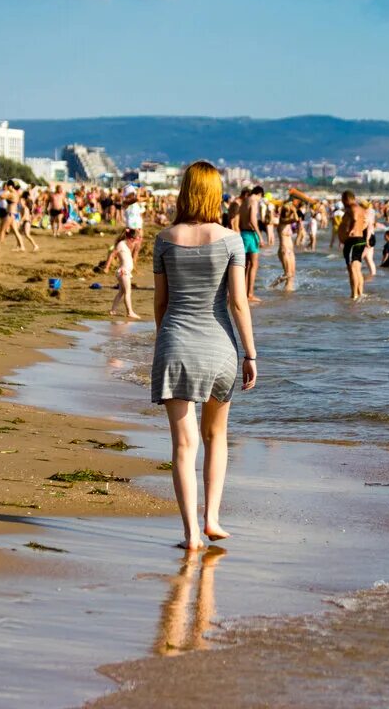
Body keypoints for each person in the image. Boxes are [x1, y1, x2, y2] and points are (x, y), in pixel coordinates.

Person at [151, 161, 257, 551]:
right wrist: (251, 354)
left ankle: (191, 534)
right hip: (220, 348)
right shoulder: (230, 240)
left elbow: (160, 305)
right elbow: (238, 304)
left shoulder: (163, 239)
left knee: (183, 444)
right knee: (216, 436)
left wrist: (165, 342)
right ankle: (212, 518)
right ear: (215, 193)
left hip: (176, 342)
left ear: (184, 191)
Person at [337, 190, 367, 301]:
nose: (342, 202)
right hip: (360, 240)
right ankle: (360, 293)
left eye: (342, 199)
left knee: (352, 269)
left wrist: (352, 230)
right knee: (357, 268)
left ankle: (354, 295)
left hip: (352, 240)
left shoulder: (352, 208)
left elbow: (354, 219)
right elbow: (365, 222)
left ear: (346, 199)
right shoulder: (361, 209)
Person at [106, 228, 142, 319]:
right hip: (123, 272)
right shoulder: (121, 244)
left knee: (121, 292)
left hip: (125, 272)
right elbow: (112, 254)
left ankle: (113, 310)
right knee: (128, 292)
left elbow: (130, 258)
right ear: (131, 238)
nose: (136, 242)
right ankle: (130, 312)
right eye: (136, 239)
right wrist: (107, 267)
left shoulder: (125, 245)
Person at [239, 185, 263, 303]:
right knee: (254, 265)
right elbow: (253, 220)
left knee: (246, 265)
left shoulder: (245, 201)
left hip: (243, 234)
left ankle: (242, 293)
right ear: (259, 194)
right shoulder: (254, 201)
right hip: (251, 234)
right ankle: (250, 294)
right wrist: (260, 236)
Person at [270, 200, 297, 292]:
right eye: (285, 211)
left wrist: (292, 208)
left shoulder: (288, 222)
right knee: (288, 274)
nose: (286, 212)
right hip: (284, 250)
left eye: (288, 211)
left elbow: (296, 218)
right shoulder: (282, 220)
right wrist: (293, 210)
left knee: (292, 275)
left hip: (291, 251)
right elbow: (295, 219)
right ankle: (271, 286)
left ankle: (288, 292)